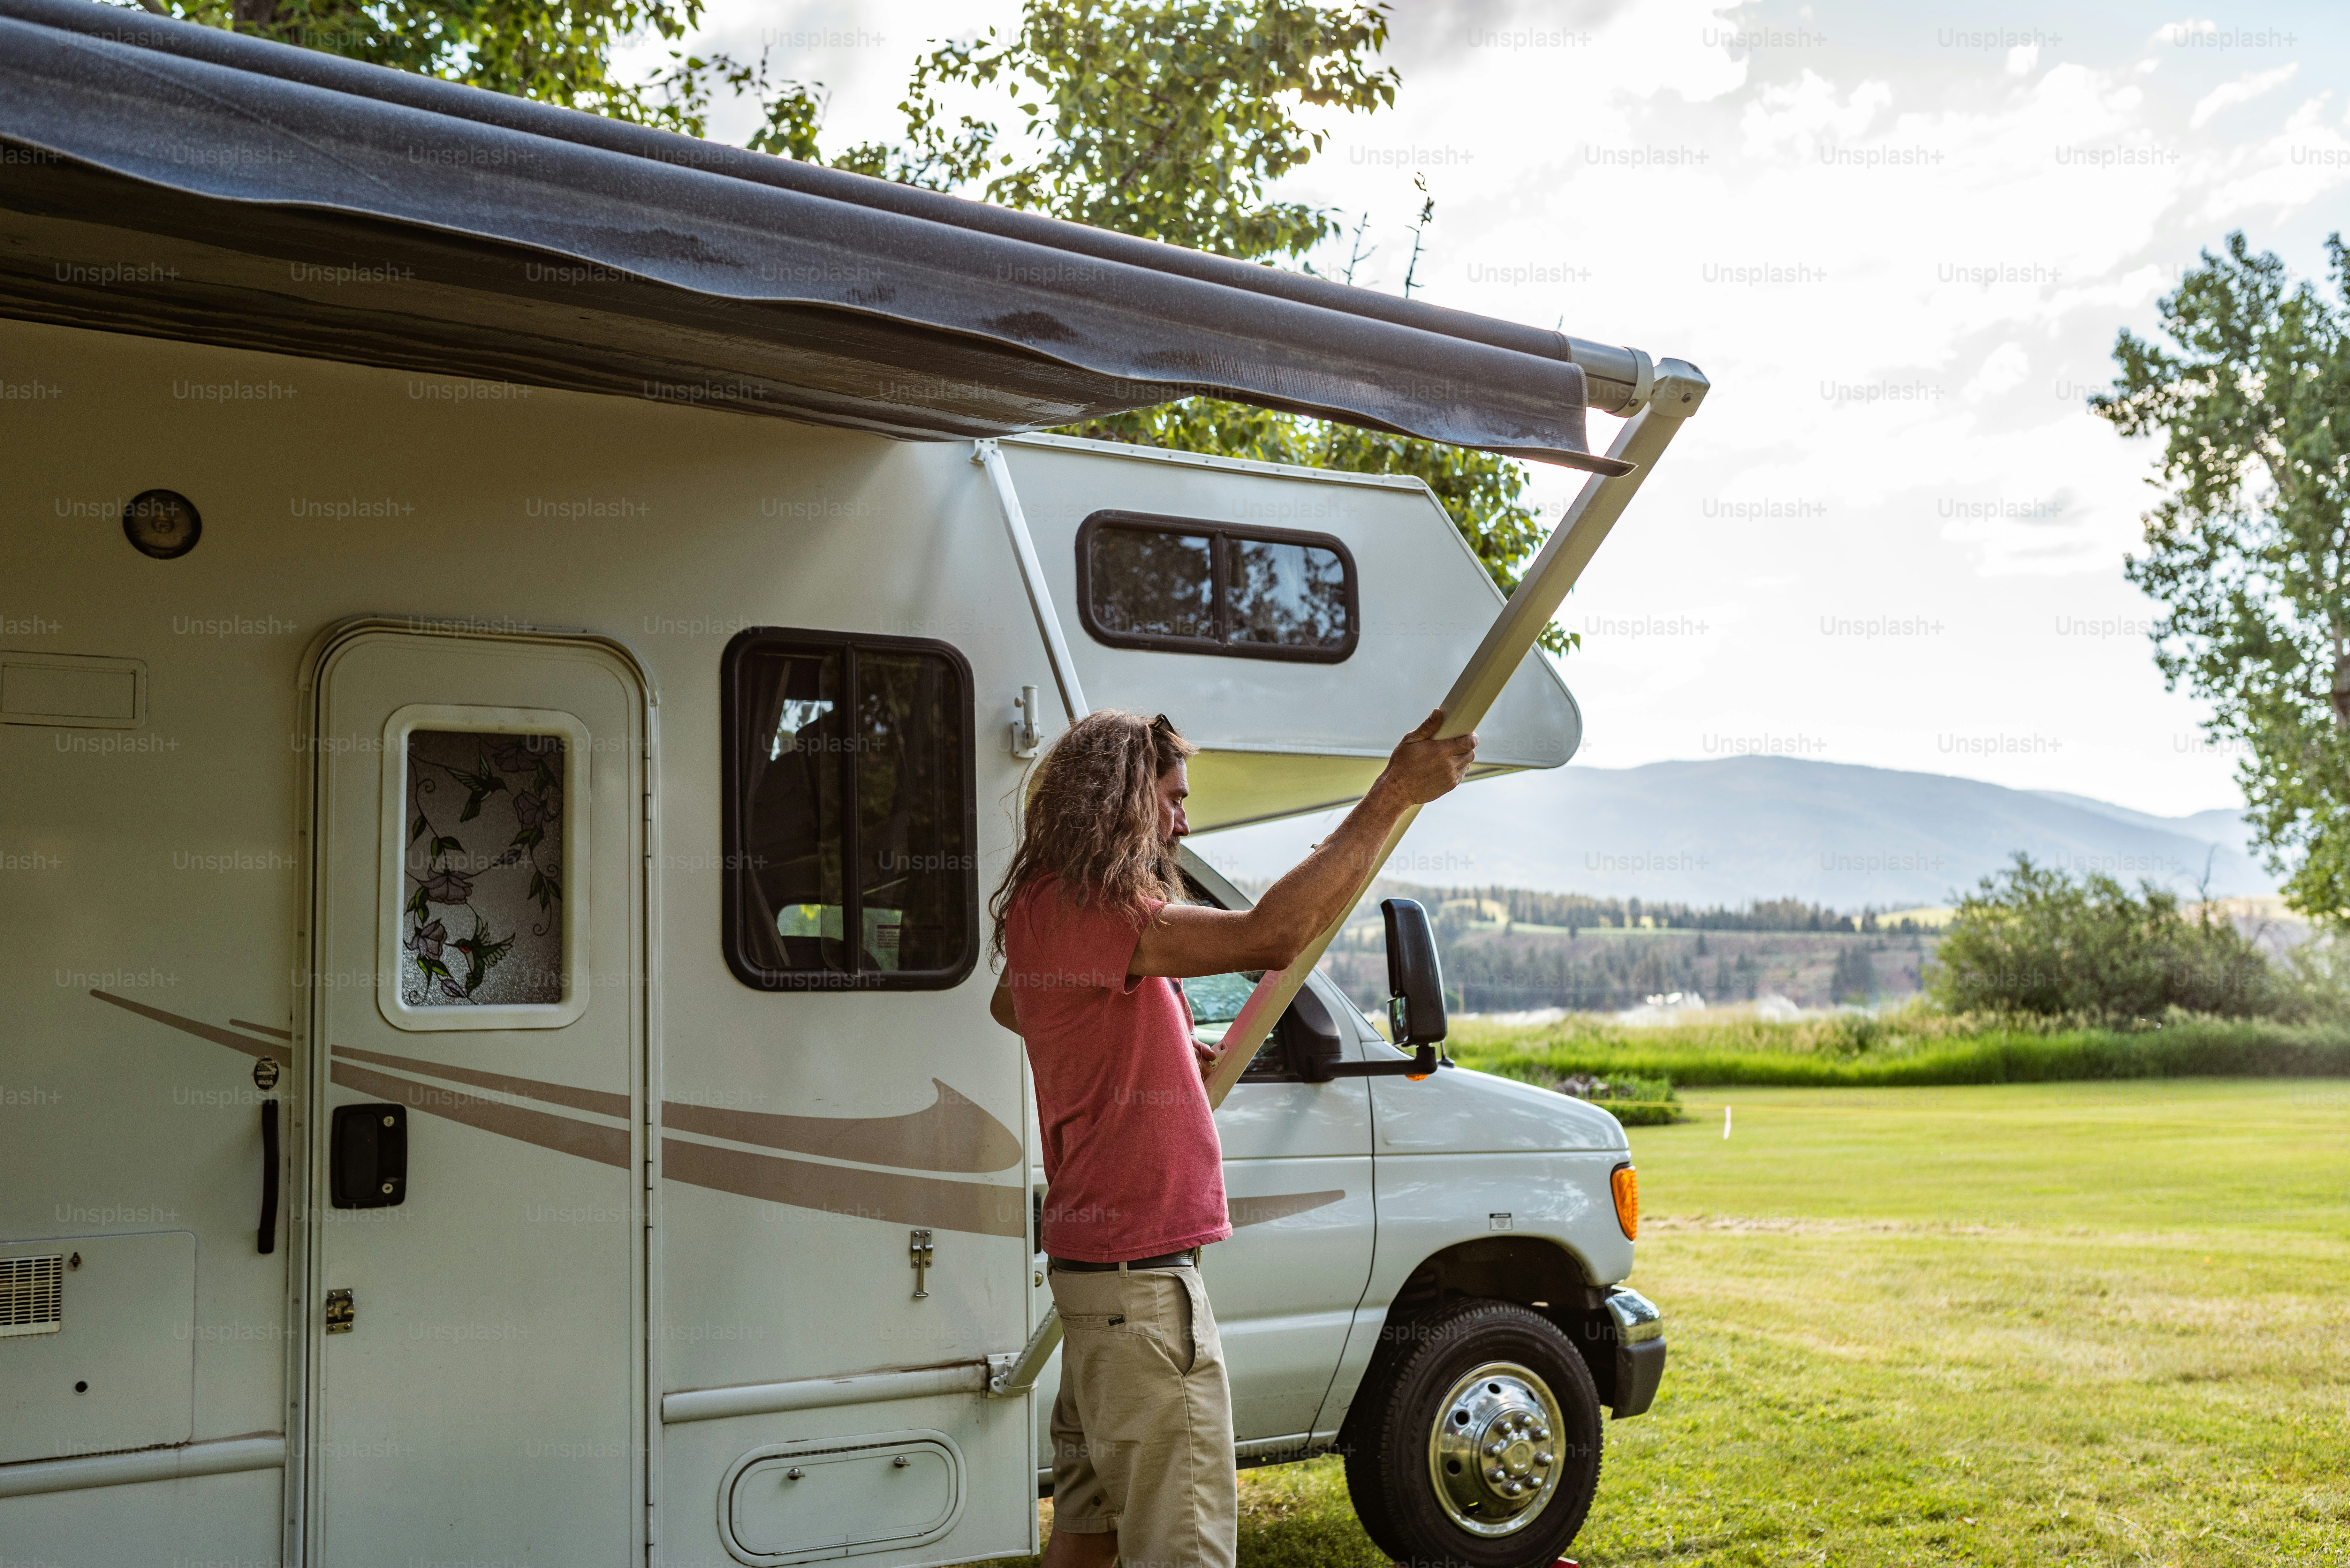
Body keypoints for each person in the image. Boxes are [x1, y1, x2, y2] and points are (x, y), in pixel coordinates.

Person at [988, 707, 1478, 1568]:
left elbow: (1016, 1005)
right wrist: (1391, 796)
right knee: (1184, 1550)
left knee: (1086, 1537)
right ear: (1117, 799)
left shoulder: (1039, 907)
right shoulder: (1101, 911)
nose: (1182, 818)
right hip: (1142, 1298)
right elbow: (1273, 934)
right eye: (1170, 799)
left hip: (1093, 1291)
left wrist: (1155, 1046)